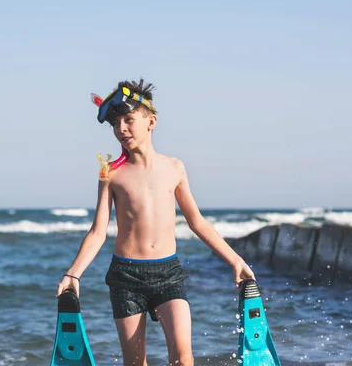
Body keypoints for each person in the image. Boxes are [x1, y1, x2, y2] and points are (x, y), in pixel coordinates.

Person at [56, 78, 255, 366]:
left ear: (151, 122)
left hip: (169, 273)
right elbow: (98, 231)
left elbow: (196, 221)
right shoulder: (110, 175)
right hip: (126, 278)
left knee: (184, 358)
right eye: (115, 124)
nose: (121, 128)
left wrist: (235, 261)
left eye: (128, 119)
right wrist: (73, 274)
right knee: (136, 363)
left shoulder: (174, 168)